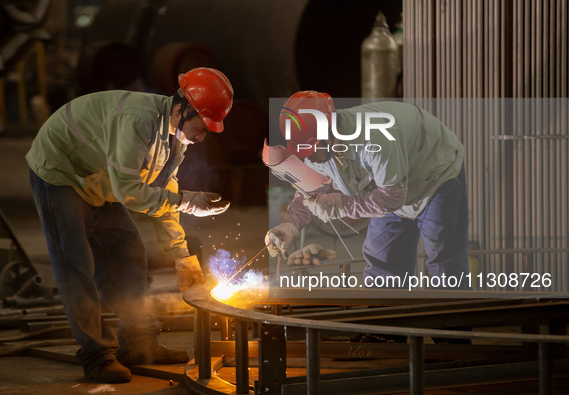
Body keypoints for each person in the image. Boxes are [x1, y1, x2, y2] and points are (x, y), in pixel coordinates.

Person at [26, 67, 234, 383]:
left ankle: (139, 344)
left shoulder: (175, 138)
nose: (202, 137)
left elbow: (164, 195)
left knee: (128, 254)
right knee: (76, 266)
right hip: (61, 172)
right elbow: (129, 192)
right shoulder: (139, 121)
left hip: (98, 175)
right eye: (202, 127)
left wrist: (182, 256)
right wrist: (188, 202)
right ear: (182, 108)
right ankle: (96, 356)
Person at [266, 91, 469, 289]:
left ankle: (453, 320)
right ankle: (385, 319)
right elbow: (306, 193)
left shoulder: (377, 136)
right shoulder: (316, 147)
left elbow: (391, 198)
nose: (308, 159)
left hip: (435, 175)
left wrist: (340, 206)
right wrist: (288, 228)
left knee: (444, 261)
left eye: (311, 150)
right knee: (383, 262)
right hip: (391, 186)